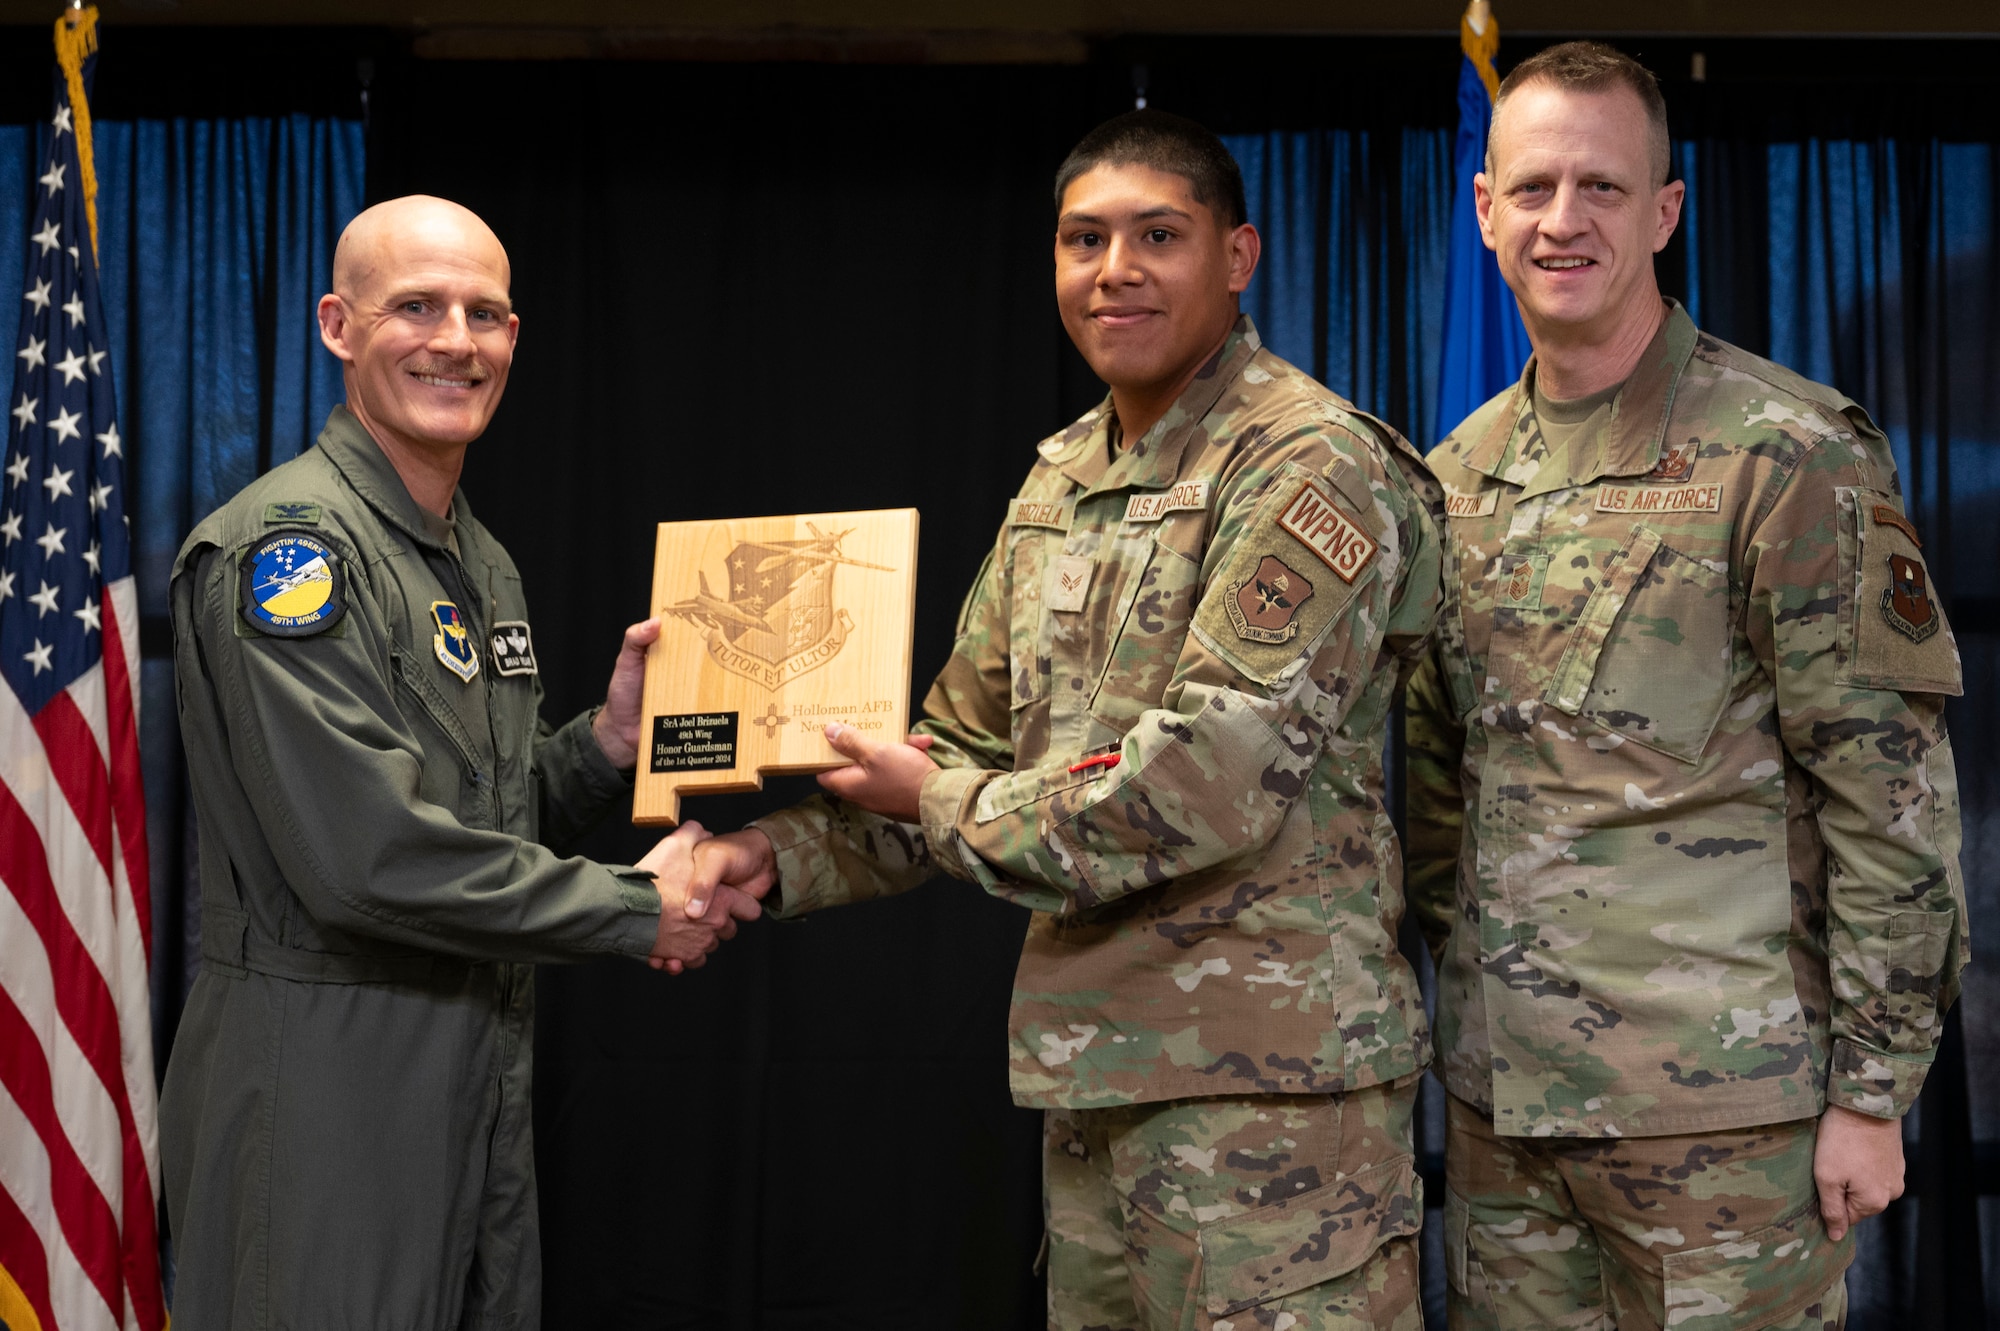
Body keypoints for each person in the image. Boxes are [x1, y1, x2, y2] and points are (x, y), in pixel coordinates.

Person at [688, 111, 1443, 1330]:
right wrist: (759, 858)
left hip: (1270, 1101)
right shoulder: (1062, 481)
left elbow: (1201, 778)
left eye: (1158, 235)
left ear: (1238, 256)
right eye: (1081, 239)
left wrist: (930, 796)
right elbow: (959, 751)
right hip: (1097, 1076)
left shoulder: (1306, 466)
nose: (1114, 270)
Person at [1403, 42, 1967, 1331]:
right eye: (1531, 186)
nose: (1562, 219)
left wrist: (1872, 1095)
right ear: (1482, 209)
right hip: (1505, 1122)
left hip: (1726, 1124)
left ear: (1663, 211)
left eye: (1601, 188)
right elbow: (1440, 792)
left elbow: (1890, 802)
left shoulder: (1787, 454)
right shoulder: (1452, 475)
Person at [160, 195, 760, 1329]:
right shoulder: (290, 551)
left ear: (515, 339)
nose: (456, 340)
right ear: (339, 326)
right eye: (416, 307)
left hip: (474, 1061)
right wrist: (638, 904)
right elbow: (364, 857)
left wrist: (603, 747)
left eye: (484, 313)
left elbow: (477, 814)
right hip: (326, 1075)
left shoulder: (474, 557)